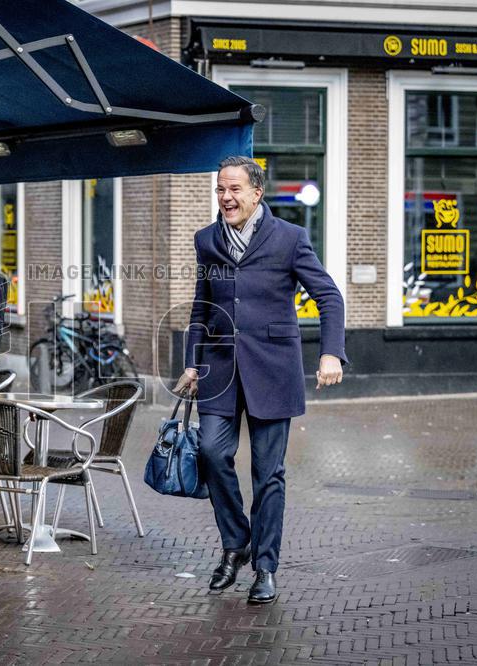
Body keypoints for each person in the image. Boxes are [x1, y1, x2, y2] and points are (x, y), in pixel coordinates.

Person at [173, 156, 346, 603]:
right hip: (219, 369)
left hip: (273, 369)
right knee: (211, 453)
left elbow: (328, 296)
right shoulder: (206, 240)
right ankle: (237, 543)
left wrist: (330, 352)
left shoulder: (290, 239)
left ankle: (265, 568)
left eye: (234, 189)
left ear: (256, 192)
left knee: (268, 475)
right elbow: (201, 307)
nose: (226, 197)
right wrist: (192, 362)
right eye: (220, 189)